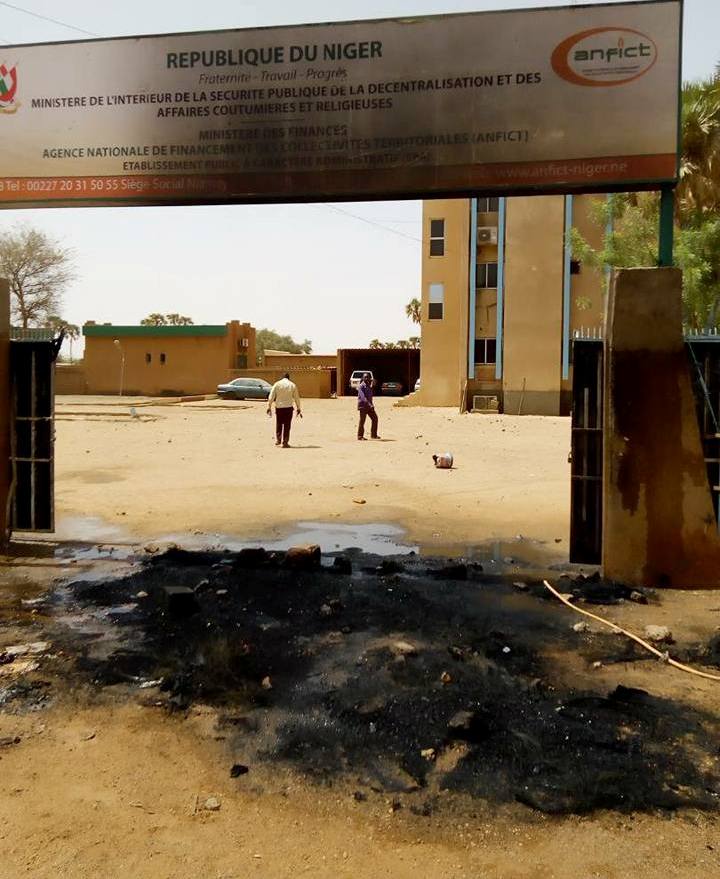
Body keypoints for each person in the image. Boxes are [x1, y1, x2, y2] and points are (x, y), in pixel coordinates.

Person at [267, 373, 302, 447]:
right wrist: (298, 408)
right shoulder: (292, 385)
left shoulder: (277, 384)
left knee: (279, 423)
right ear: (288, 378)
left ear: (282, 377)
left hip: (279, 407)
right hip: (288, 408)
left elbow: (271, 396)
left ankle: (278, 440)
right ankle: (285, 442)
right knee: (287, 425)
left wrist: (269, 406)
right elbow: (296, 398)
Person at [357, 372, 379, 440]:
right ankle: (360, 436)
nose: (366, 378)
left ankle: (373, 435)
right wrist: (370, 405)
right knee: (362, 421)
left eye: (368, 377)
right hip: (363, 406)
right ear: (363, 378)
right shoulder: (361, 386)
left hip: (369, 406)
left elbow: (370, 396)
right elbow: (363, 397)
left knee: (375, 418)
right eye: (365, 377)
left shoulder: (369, 385)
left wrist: (371, 404)